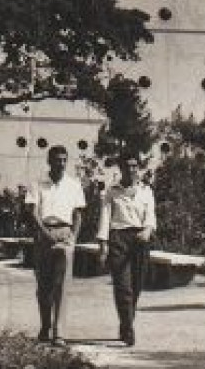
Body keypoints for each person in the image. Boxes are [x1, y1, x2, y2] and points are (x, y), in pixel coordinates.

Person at [26, 145, 85, 343]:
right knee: (44, 285)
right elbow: (33, 213)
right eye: (57, 160)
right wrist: (44, 234)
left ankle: (59, 332)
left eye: (64, 160)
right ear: (49, 161)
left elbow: (78, 215)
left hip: (65, 234)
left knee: (62, 285)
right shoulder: (37, 184)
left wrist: (73, 238)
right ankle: (45, 326)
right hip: (43, 235)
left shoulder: (74, 184)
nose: (61, 164)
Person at [97, 155, 157, 346]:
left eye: (134, 166)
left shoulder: (146, 190)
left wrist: (147, 230)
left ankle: (126, 323)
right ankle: (128, 327)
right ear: (121, 168)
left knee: (137, 285)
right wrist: (103, 244)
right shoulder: (112, 192)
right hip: (118, 239)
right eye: (127, 166)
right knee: (123, 286)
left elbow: (151, 215)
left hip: (140, 239)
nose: (131, 170)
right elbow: (105, 218)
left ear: (138, 168)